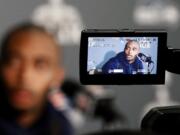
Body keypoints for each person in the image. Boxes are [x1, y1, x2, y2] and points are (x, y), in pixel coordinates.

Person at [0, 23, 73, 135]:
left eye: (40, 65)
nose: (25, 75)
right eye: (14, 62)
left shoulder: (61, 128)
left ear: (57, 76)